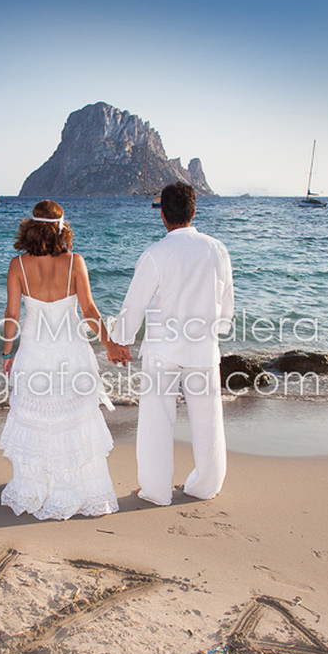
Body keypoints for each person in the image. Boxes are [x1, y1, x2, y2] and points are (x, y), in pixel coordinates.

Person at [0, 200, 129, 520]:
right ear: (62, 227)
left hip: (34, 351)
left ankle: (35, 487)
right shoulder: (74, 262)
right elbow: (89, 311)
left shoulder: (18, 265)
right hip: (72, 351)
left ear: (30, 226)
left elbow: (12, 315)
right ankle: (74, 487)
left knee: (39, 420)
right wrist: (109, 343)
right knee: (73, 421)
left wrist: (7, 353)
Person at [110, 182, 234, 506]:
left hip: (163, 350)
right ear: (194, 212)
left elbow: (134, 304)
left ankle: (155, 490)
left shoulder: (155, 254)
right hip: (203, 348)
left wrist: (120, 340)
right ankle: (205, 486)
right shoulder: (217, 250)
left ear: (163, 215)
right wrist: (217, 330)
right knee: (208, 421)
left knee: (156, 420)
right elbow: (226, 303)